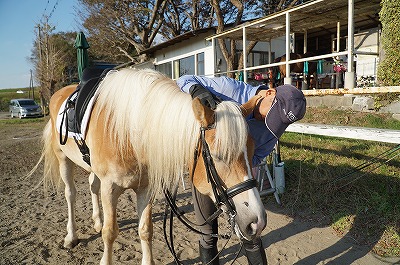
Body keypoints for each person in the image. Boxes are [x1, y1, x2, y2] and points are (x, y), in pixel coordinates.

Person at [177, 75, 306, 265]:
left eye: (278, 122)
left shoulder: (273, 128)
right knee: (207, 233)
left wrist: (240, 153)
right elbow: (184, 79)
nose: (268, 122)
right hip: (209, 173)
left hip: (239, 181)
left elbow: (256, 157)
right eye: (270, 114)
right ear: (269, 93)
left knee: (252, 233)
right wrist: (197, 89)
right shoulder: (229, 89)